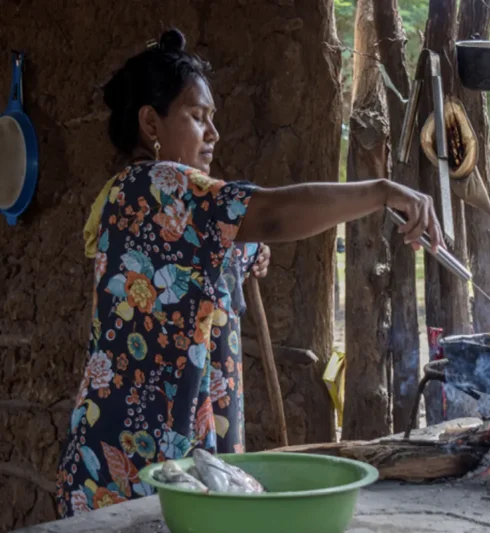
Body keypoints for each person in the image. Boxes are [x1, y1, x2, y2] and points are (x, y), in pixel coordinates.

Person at [56, 28, 442, 518]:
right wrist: (383, 190)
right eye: (198, 118)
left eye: (212, 118)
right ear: (151, 122)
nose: (213, 133)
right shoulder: (152, 186)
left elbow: (224, 246)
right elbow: (273, 215)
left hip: (162, 455)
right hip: (136, 461)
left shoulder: (162, 201)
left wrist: (247, 252)